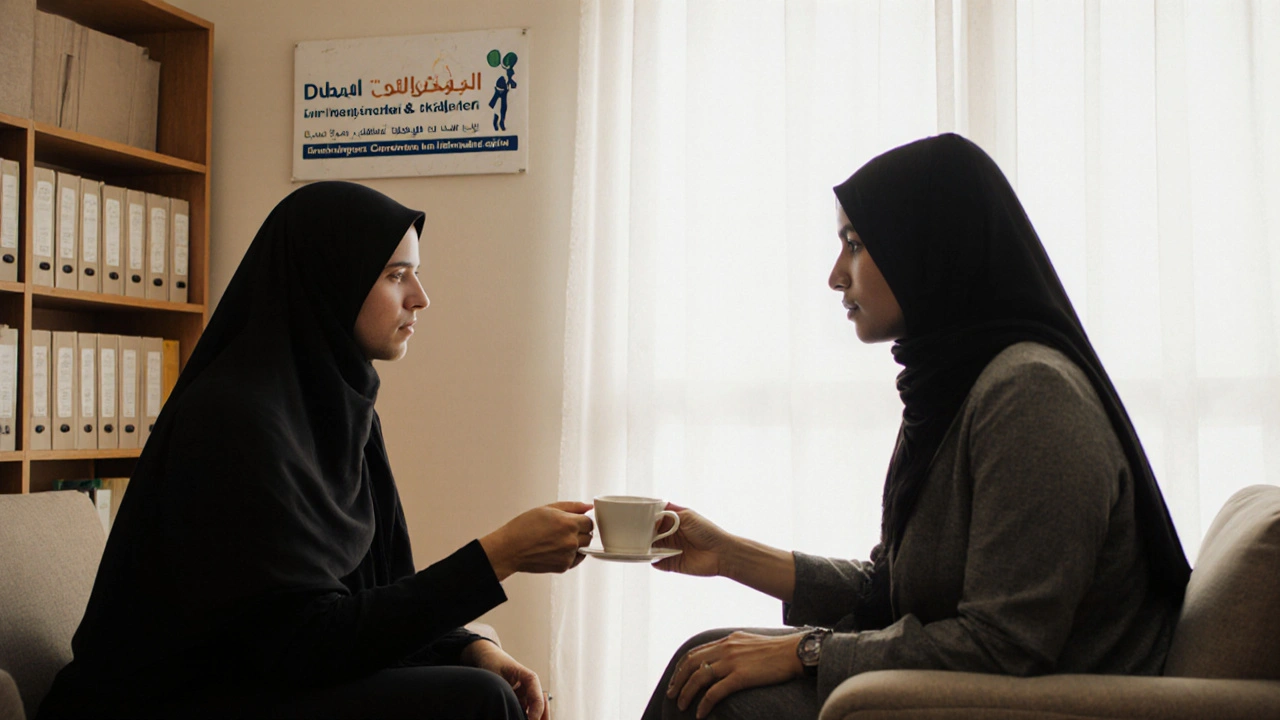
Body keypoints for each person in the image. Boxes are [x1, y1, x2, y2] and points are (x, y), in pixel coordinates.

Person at [642, 134, 1191, 720]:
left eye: (854, 244)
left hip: (1030, 704)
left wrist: (807, 651)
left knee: (721, 701)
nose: (835, 275)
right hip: (965, 690)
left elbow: (1005, 644)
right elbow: (892, 587)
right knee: (701, 659)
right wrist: (729, 554)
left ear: (929, 246)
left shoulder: (1031, 395)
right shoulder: (953, 386)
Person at [38, 182, 592, 720]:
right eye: (395, 275)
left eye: (415, 274)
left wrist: (470, 647)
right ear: (331, 281)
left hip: (270, 682)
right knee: (478, 702)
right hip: (175, 699)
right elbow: (301, 644)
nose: (421, 298)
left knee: (481, 681)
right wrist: (499, 556)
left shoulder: (343, 413)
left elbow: (375, 596)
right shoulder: (233, 420)